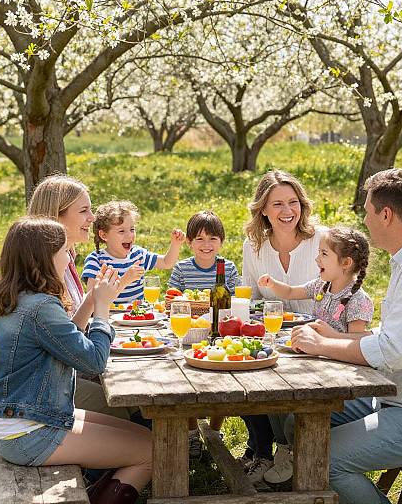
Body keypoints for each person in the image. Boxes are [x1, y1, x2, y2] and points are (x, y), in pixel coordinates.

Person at [291, 168, 402, 504]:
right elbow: (389, 335)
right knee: (298, 423)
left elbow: (393, 353)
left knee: (323, 457)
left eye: (368, 211)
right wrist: (335, 338)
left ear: (386, 215)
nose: (366, 220)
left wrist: (323, 345)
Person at [0, 217, 152, 504]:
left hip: (22, 420)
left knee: (146, 437)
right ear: (44, 258)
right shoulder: (41, 307)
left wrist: (92, 298)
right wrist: (103, 310)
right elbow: (94, 361)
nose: (71, 256)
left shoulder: (21, 297)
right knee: (152, 451)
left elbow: (66, 341)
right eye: (64, 251)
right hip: (30, 433)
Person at [257, 226, 374, 484]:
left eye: (323, 254)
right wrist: (273, 284)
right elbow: (290, 292)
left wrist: (328, 335)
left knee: (292, 416)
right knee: (273, 397)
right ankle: (285, 450)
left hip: (340, 374)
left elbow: (362, 339)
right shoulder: (322, 286)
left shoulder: (357, 300)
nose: (316, 259)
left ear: (345, 263)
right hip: (315, 365)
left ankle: (299, 458)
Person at [241, 169, 327, 485]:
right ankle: (268, 451)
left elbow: (341, 293)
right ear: (263, 209)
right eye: (277, 204)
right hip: (273, 342)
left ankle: (284, 454)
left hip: (318, 340)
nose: (287, 211)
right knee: (241, 378)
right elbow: (248, 298)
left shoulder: (321, 239)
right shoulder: (253, 246)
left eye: (293, 202)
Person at [27, 175, 133, 423]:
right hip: (50, 385)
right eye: (84, 210)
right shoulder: (45, 270)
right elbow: (65, 344)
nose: (93, 217)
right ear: (56, 216)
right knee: (125, 407)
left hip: (68, 368)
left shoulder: (67, 256)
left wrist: (94, 298)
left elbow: (67, 331)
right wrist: (101, 306)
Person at [168, 210, 239, 458]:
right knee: (184, 382)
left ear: (221, 242)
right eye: (199, 239)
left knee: (226, 381)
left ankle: (215, 430)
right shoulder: (182, 269)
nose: (206, 245)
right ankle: (191, 432)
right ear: (189, 242)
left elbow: (233, 303)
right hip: (189, 332)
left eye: (212, 239)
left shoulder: (228, 268)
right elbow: (172, 302)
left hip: (220, 333)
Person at [82, 200, 185, 304]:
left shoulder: (138, 254)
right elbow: (91, 302)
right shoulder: (96, 260)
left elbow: (167, 263)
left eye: (132, 229)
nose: (129, 235)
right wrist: (125, 280)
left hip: (137, 317)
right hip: (107, 318)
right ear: (104, 235)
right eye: (121, 231)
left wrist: (176, 244)